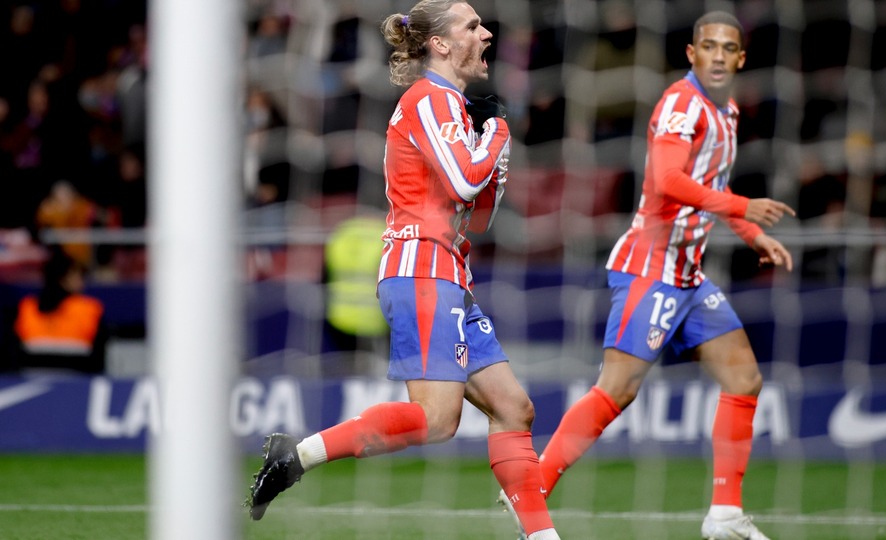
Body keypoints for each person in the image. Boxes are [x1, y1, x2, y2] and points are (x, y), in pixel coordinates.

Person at [245, 2, 560, 539]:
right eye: (472, 26)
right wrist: (499, 135)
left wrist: (494, 154)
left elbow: (478, 217)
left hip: (450, 276)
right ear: (440, 44)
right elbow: (463, 182)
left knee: (514, 408)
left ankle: (541, 536)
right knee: (438, 422)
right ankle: (294, 457)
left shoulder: (455, 108)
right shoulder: (429, 99)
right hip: (420, 272)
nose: (486, 33)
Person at [504, 11, 794, 540]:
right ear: (692, 53)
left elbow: (708, 192)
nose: (719, 56)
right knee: (616, 389)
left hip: (687, 272)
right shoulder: (682, 104)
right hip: (650, 268)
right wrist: (743, 205)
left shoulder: (725, 112)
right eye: (709, 46)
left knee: (744, 379)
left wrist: (753, 234)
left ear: (741, 58)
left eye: (729, 48)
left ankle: (724, 516)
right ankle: (533, 485)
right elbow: (667, 179)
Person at [9, 247, 106, 373]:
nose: (82, 282)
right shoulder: (90, 309)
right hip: (74, 384)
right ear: (63, 279)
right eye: (78, 276)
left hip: (72, 380)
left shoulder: (25, 308)